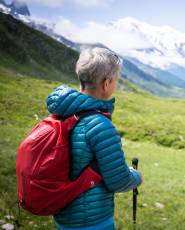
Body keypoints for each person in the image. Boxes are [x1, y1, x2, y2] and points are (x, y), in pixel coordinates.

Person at [46, 47, 142, 230]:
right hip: (92, 221)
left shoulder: (62, 113)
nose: (116, 84)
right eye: (116, 80)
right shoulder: (101, 125)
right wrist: (136, 176)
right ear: (106, 83)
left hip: (63, 215)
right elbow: (118, 181)